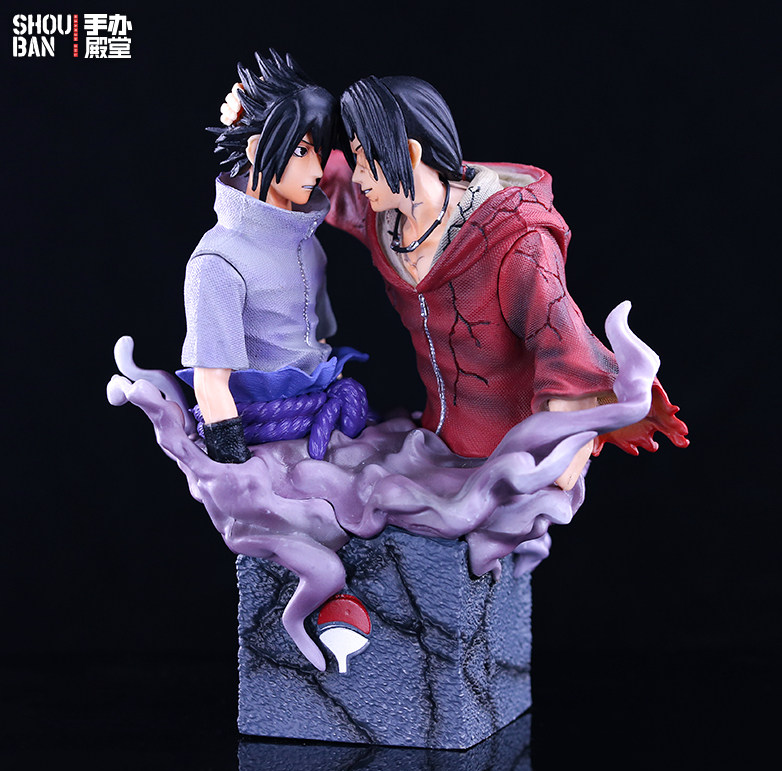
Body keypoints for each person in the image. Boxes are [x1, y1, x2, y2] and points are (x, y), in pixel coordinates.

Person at [219, 73, 688, 485]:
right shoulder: (384, 214)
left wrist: (558, 448)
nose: (357, 174)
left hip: (507, 455)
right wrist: (259, 119)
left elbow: (563, 345)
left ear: (408, 154)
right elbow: (321, 175)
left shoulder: (514, 240)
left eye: (364, 159)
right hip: (436, 445)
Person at [182, 51, 367, 463]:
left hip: (320, 414)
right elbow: (210, 381)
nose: (317, 170)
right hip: (263, 435)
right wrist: (234, 464)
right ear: (256, 149)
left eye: (320, 153)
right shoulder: (218, 261)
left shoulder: (309, 244)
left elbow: (318, 338)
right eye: (301, 151)